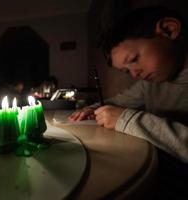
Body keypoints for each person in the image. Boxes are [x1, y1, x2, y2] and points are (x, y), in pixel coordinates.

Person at [69, 6, 188, 198]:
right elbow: (118, 101)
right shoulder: (149, 84)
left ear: (169, 30)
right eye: (126, 71)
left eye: (134, 59)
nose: (134, 73)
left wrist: (129, 120)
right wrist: (92, 108)